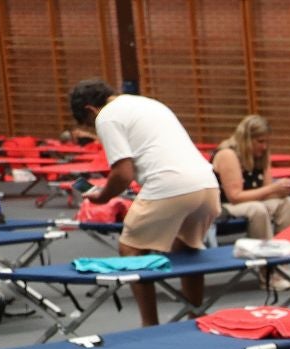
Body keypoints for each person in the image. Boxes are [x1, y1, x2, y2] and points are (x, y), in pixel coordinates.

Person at [68, 77, 221, 327]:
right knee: (186, 247)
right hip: (207, 184)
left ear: (90, 110)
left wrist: (103, 196)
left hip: (170, 185)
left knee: (131, 249)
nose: (95, 130)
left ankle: (149, 325)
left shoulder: (107, 116)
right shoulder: (149, 103)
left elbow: (123, 173)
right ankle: (196, 317)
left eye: (90, 125)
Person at [212, 114, 290, 243]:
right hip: (225, 205)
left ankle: (286, 252)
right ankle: (264, 255)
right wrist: (272, 188)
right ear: (246, 139)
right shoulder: (228, 154)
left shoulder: (262, 155)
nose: (264, 147)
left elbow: (266, 191)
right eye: (260, 141)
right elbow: (235, 197)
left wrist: (282, 190)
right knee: (257, 209)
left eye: (267, 142)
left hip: (252, 201)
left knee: (288, 203)